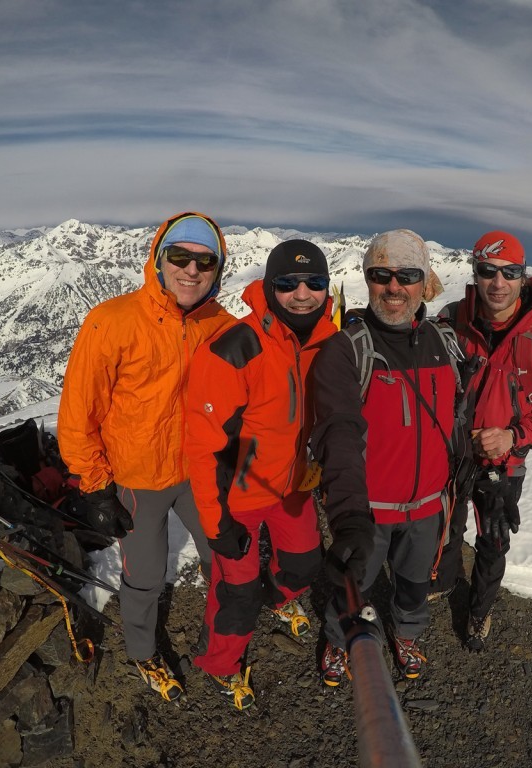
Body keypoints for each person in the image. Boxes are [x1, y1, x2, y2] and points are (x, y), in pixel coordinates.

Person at [57, 211, 235, 701]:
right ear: (158, 260)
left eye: (205, 261)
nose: (192, 270)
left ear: (218, 270)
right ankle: (142, 653)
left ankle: (219, 646)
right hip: (137, 479)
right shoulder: (112, 321)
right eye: (180, 257)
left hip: (198, 473)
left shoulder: (220, 325)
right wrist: (94, 485)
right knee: (145, 576)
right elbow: (77, 413)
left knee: (226, 558)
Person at [185, 239, 337, 710]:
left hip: (292, 487)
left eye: (314, 282)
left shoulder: (330, 342)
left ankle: (277, 597)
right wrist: (216, 524)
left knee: (306, 564)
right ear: (270, 289)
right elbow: (202, 445)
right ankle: (220, 664)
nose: (302, 293)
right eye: (288, 284)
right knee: (236, 593)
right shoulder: (235, 348)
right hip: (238, 499)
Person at [310, 229, 459, 686]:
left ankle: (406, 633)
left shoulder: (447, 344)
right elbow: (338, 433)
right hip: (368, 510)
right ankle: (340, 639)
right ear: (368, 279)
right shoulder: (348, 349)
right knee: (352, 583)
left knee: (415, 585)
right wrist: (348, 514)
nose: (394, 287)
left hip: (429, 507)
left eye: (408, 275)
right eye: (381, 274)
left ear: (424, 282)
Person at [430, 230, 532, 650]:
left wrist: (513, 436)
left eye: (509, 273)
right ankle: (442, 581)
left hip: (504, 461)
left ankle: (479, 611)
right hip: (454, 450)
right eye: (488, 271)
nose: (499, 283)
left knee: (493, 538)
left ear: (523, 275)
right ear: (475, 273)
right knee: (445, 520)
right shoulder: (451, 318)